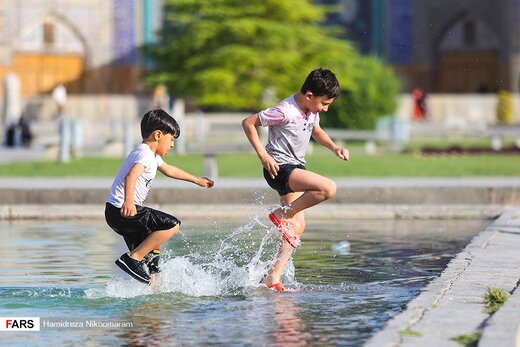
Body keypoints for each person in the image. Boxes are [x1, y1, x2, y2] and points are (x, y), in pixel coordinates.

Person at [242, 68, 349, 291]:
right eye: (324, 104)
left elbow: (315, 130)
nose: (325, 109)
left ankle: (273, 277)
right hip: (279, 169)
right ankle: (281, 214)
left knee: (296, 228)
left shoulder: (311, 111)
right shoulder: (285, 111)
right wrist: (263, 155)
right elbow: (248, 122)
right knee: (328, 188)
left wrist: (334, 147)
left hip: (294, 168)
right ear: (309, 95)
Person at [105, 109, 214, 285]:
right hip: (122, 209)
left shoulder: (152, 156)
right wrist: (129, 201)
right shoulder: (145, 153)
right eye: (171, 139)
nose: (172, 145)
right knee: (172, 225)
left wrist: (197, 180)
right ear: (157, 135)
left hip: (116, 213)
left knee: (152, 259)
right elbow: (131, 176)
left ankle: (151, 291)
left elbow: (170, 170)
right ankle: (132, 258)